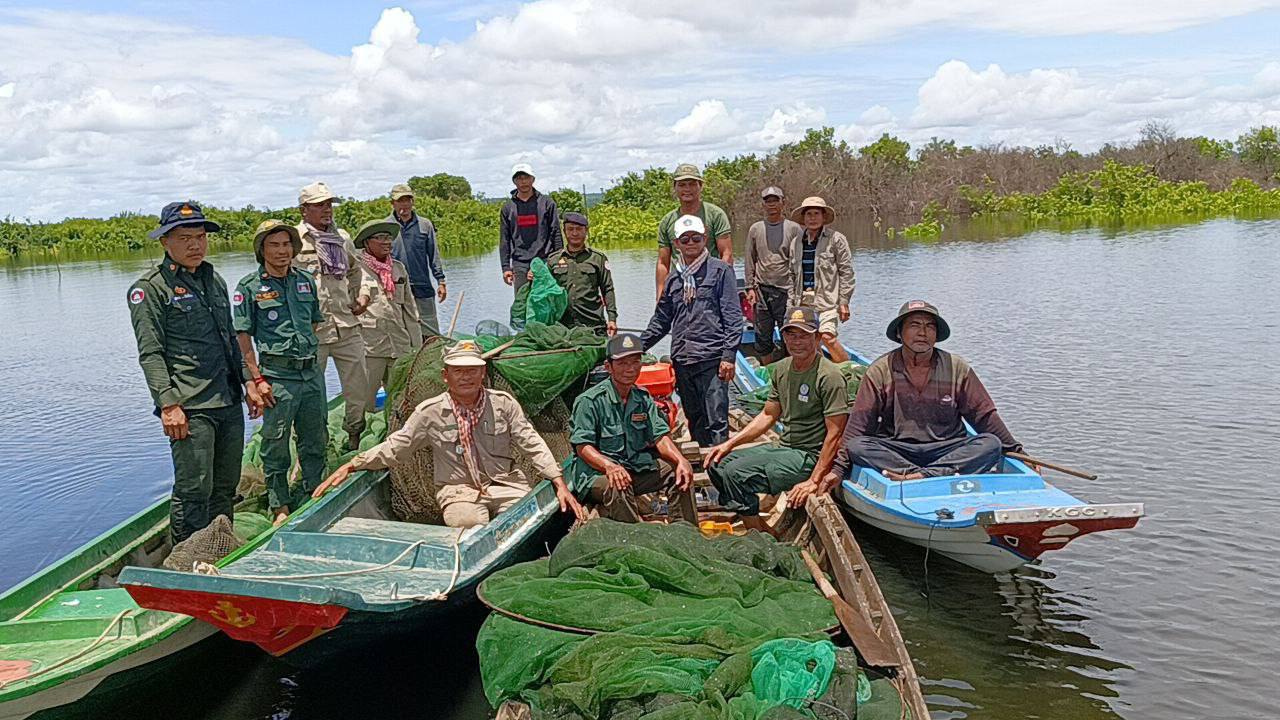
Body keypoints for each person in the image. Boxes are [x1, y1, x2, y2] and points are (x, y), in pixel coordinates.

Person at [314, 341, 586, 528]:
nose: (466, 377)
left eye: (472, 371)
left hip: (506, 485)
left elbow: (531, 443)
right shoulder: (430, 411)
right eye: (458, 371)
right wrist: (353, 464)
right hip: (459, 491)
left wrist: (558, 482)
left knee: (525, 518)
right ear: (446, 376)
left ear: (483, 373)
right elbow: (397, 447)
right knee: (468, 523)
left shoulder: (503, 403)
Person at [127, 202, 259, 542]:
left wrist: (249, 382)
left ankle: (219, 550)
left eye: (200, 237)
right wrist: (168, 404)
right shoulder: (151, 289)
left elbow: (230, 338)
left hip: (227, 400)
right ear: (165, 242)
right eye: (185, 238)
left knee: (225, 486)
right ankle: (184, 560)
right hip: (190, 406)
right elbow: (151, 352)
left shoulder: (213, 280)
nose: (195, 245)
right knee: (193, 489)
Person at [832, 300, 1023, 481]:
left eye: (930, 326)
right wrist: (838, 469)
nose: (922, 332)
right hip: (898, 450)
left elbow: (984, 415)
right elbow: (859, 425)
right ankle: (924, 473)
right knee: (857, 446)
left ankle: (924, 476)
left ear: (936, 335)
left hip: (946, 448)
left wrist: (1017, 452)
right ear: (899, 332)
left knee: (991, 444)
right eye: (914, 325)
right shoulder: (881, 370)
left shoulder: (956, 367)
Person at [705, 308, 849, 535]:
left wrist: (814, 480)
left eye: (804, 335)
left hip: (808, 456)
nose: (796, 341)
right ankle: (761, 526)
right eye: (791, 335)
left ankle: (760, 537)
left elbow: (836, 434)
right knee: (716, 463)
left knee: (736, 473)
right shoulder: (782, 369)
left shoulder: (829, 376)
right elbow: (768, 416)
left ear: (817, 338)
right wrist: (729, 444)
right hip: (784, 447)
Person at [233, 220, 327, 524]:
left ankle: (315, 489)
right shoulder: (249, 287)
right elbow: (243, 339)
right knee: (275, 443)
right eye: (274, 245)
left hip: (311, 374)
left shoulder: (305, 281)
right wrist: (257, 380)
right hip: (277, 378)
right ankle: (279, 505)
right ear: (262, 249)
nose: (282, 251)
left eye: (287, 244)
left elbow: (313, 322)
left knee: (315, 437)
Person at [565, 333, 696, 523]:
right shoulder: (589, 401)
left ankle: (687, 533)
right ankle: (634, 538)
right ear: (608, 367)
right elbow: (583, 447)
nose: (630, 369)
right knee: (618, 485)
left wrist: (680, 460)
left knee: (679, 472)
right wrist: (609, 466)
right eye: (623, 364)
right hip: (597, 474)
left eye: (635, 362)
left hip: (634, 467)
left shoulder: (642, 397)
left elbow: (661, 437)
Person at [641, 215, 742, 447]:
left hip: (712, 358)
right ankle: (701, 467)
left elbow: (733, 317)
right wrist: (638, 346)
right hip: (683, 360)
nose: (690, 243)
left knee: (716, 419)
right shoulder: (674, 278)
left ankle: (720, 472)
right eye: (684, 239)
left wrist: (729, 356)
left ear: (705, 239)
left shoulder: (721, 271)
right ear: (676, 243)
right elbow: (662, 320)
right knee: (695, 419)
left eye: (695, 238)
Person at [294, 181, 376, 450]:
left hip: (346, 325)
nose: (326, 210)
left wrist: (362, 295)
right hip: (312, 331)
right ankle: (314, 444)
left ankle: (353, 436)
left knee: (359, 389)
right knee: (311, 392)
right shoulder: (293, 241)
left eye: (329, 204)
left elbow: (357, 271)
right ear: (305, 209)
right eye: (319, 205)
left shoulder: (342, 238)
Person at [354, 219, 423, 412]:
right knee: (364, 401)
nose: (387, 242)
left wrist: (416, 348)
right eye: (380, 238)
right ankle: (356, 438)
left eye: (389, 238)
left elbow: (410, 310)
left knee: (401, 400)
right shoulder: (355, 270)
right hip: (370, 348)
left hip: (399, 345)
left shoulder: (398, 268)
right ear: (367, 242)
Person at [789, 196, 855, 363]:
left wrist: (844, 301)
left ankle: (849, 373)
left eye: (816, 213)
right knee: (810, 342)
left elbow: (846, 272)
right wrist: (790, 305)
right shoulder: (796, 242)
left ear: (823, 217)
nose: (812, 218)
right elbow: (791, 275)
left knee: (827, 337)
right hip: (802, 302)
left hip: (827, 301)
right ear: (803, 218)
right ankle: (818, 375)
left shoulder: (836, 239)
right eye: (809, 214)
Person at [745, 186, 803, 363]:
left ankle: (791, 371)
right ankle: (768, 374)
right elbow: (749, 259)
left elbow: (800, 261)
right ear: (763, 205)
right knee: (763, 335)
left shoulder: (794, 229)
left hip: (786, 290)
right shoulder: (756, 229)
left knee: (789, 333)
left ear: (783, 203)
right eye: (767, 201)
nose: (771, 204)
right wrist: (749, 287)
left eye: (775, 200)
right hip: (762, 290)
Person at [656, 163, 732, 297]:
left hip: (710, 283)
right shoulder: (667, 221)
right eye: (682, 185)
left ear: (700, 186)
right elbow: (663, 262)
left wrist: (723, 288)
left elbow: (726, 254)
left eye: (692, 184)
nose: (687, 189)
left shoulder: (715, 215)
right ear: (675, 187)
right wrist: (660, 296)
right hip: (679, 285)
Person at [386, 183, 446, 336]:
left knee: (430, 331)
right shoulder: (385, 226)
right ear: (393, 203)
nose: (405, 205)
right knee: (402, 331)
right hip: (396, 287)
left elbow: (434, 255)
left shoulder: (425, 225)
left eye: (408, 200)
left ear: (413, 202)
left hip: (422, 285)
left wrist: (441, 281)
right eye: (400, 200)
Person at [545, 212, 617, 336]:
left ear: (586, 231)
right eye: (570, 229)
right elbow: (544, 292)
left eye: (579, 229)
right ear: (564, 231)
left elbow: (608, 289)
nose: (574, 233)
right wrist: (534, 276)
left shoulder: (598, 258)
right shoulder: (553, 260)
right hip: (562, 327)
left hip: (593, 325)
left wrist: (612, 319)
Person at [499, 163, 562, 293]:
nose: (523, 182)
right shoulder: (508, 208)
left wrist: (559, 259)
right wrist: (506, 268)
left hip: (545, 261)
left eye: (526, 177)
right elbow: (504, 239)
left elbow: (556, 232)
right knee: (522, 306)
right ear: (514, 182)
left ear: (533, 179)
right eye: (519, 178)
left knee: (547, 302)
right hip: (520, 264)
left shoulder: (547, 203)